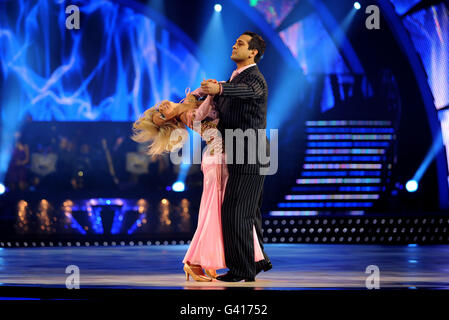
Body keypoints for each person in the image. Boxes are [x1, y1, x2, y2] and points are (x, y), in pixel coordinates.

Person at [131, 86, 265, 282]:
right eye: (162, 115)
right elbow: (201, 113)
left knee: (223, 211)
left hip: (222, 158)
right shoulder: (186, 116)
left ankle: (210, 261)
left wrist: (206, 89)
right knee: (217, 212)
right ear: (170, 121)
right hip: (218, 160)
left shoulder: (187, 102)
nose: (162, 108)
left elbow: (199, 95)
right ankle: (195, 262)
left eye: (158, 109)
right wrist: (212, 93)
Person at [199, 31, 272, 282]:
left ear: (253, 52)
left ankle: (242, 269)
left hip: (249, 151)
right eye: (235, 41)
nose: (234, 45)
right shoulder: (235, 79)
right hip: (241, 151)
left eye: (240, 44)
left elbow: (249, 91)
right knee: (248, 212)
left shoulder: (255, 78)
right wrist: (204, 98)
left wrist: (219, 88)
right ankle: (256, 262)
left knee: (235, 211)